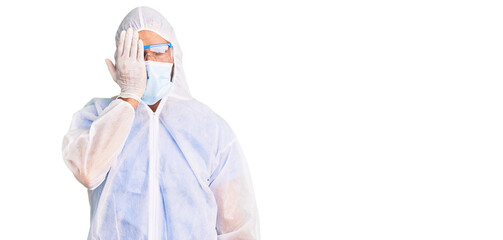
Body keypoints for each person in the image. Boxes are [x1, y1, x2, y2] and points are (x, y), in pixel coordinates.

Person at [61, 6, 260, 239]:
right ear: (119, 60)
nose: (147, 61)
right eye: (135, 53)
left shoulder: (210, 129)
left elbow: (237, 226)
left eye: (157, 51)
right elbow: (88, 172)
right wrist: (129, 97)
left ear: (174, 56)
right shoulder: (97, 115)